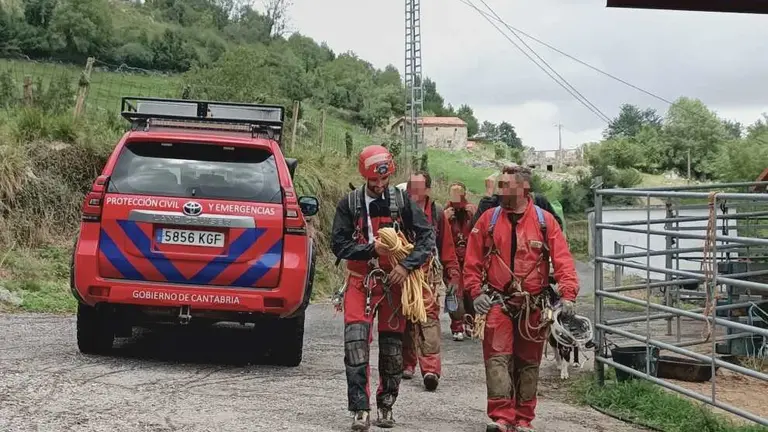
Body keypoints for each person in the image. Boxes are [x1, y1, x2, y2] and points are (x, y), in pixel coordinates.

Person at [463, 165, 580, 432]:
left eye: (506, 185)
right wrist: (475, 291)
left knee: (528, 363)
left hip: (533, 306)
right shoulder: (488, 220)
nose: (500, 191)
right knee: (497, 359)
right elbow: (471, 260)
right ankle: (503, 417)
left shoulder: (544, 221)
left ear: (523, 189)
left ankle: (524, 418)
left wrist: (568, 295)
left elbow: (563, 260)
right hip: (497, 302)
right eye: (500, 185)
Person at [331, 145, 435, 431]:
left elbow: (427, 238)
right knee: (355, 346)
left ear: (389, 175)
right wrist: (369, 249)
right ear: (364, 176)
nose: (379, 186)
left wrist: (406, 266)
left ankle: (386, 405)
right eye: (373, 182)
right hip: (359, 282)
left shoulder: (402, 201)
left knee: (391, 350)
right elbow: (338, 245)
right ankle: (359, 409)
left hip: (393, 283)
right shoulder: (349, 203)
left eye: (384, 180)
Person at [399, 171, 460, 391]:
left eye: (417, 188)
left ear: (427, 190)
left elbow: (447, 248)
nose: (412, 192)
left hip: (428, 277)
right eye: (410, 188)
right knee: (404, 319)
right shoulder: (398, 210)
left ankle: (431, 370)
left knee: (429, 321)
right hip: (402, 272)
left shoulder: (437, 213)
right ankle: (407, 363)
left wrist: (452, 275)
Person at [471, 167, 563, 229]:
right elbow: (475, 229)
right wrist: (488, 194)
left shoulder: (538, 201)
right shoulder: (496, 202)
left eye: (506, 185)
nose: (501, 190)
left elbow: (557, 227)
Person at [444, 181, 479, 341]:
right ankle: (456, 325)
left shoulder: (471, 211)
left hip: (469, 259)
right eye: (453, 193)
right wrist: (444, 220)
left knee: (471, 294)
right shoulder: (444, 213)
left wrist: (475, 217)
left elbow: (481, 233)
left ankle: (470, 323)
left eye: (460, 193)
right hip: (451, 259)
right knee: (454, 293)